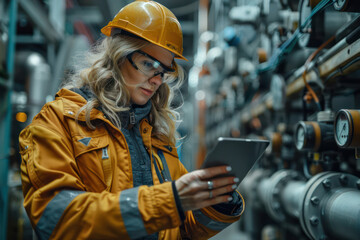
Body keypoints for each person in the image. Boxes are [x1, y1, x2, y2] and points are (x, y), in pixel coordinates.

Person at [19, 1, 244, 239]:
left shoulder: (157, 134)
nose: (157, 80)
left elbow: (182, 228)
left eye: (163, 72)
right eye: (149, 65)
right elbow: (56, 220)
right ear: (118, 55)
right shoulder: (58, 121)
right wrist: (170, 200)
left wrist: (217, 202)